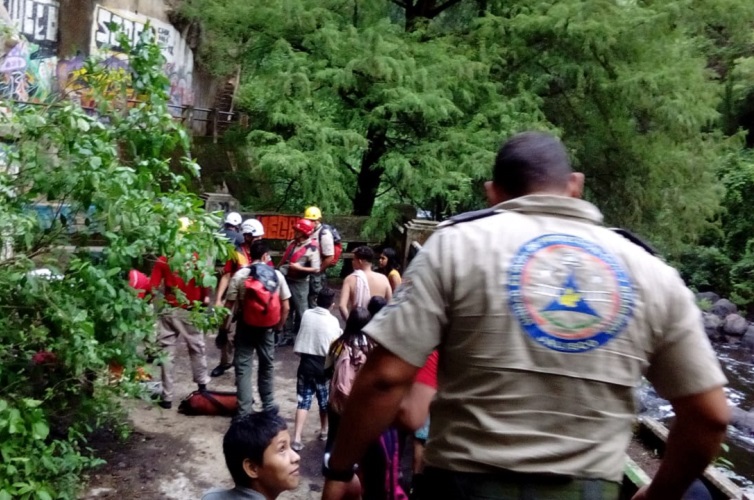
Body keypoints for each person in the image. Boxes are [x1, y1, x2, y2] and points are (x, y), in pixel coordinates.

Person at [322, 131, 730, 500]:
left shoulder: (452, 249)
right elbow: (710, 416)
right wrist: (660, 494)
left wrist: (340, 470)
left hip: (460, 486)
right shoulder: (649, 271)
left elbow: (384, 379)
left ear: (493, 193)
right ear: (576, 186)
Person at [148, 217, 212, 410]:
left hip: (168, 310)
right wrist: (203, 301)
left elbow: (152, 287)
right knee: (197, 348)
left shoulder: (164, 259)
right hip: (191, 311)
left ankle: (167, 397)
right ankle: (202, 388)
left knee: (167, 353)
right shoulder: (197, 259)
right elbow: (205, 286)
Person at [223, 240, 290, 416]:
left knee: (243, 366)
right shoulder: (277, 275)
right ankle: (268, 405)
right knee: (266, 365)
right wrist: (279, 327)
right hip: (267, 328)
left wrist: (224, 329)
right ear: (265, 256)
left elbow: (228, 307)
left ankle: (244, 411)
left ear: (250, 255)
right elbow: (286, 307)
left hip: (245, 325)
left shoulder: (240, 275)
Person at [201, 410, 300, 500]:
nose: (296, 457)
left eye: (289, 447)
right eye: (282, 449)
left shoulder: (211, 497)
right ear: (252, 468)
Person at [211, 218, 265, 378]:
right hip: (235, 297)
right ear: (247, 236)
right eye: (257, 237)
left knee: (244, 333)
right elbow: (226, 275)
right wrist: (219, 299)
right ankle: (225, 362)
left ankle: (239, 361)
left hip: (252, 298)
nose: (260, 240)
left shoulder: (262, 254)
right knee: (225, 329)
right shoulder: (236, 253)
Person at [291, 288, 342, 452]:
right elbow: (337, 345)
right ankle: (324, 430)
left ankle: (297, 438)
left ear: (316, 301)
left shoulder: (307, 314)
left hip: (305, 365)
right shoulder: (333, 321)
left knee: (303, 401)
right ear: (332, 305)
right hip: (323, 367)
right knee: (324, 402)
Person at [278, 218, 320, 345]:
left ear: (303, 232)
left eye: (297, 230)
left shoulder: (312, 248)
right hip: (287, 280)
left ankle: (307, 338)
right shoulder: (293, 243)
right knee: (287, 308)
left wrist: (299, 268)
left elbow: (316, 268)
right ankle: (287, 335)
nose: (294, 232)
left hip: (300, 283)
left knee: (303, 311)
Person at [338, 246, 391, 320]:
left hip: (357, 322)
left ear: (359, 261)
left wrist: (350, 323)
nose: (352, 262)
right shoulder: (383, 278)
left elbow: (342, 306)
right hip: (376, 323)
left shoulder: (350, 279)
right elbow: (390, 303)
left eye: (353, 259)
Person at [303, 206, 336, 308]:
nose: (308, 222)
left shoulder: (324, 234)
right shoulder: (310, 231)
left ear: (317, 220)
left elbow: (330, 257)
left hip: (317, 274)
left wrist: (319, 270)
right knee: (306, 298)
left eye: (311, 220)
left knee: (314, 299)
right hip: (306, 270)